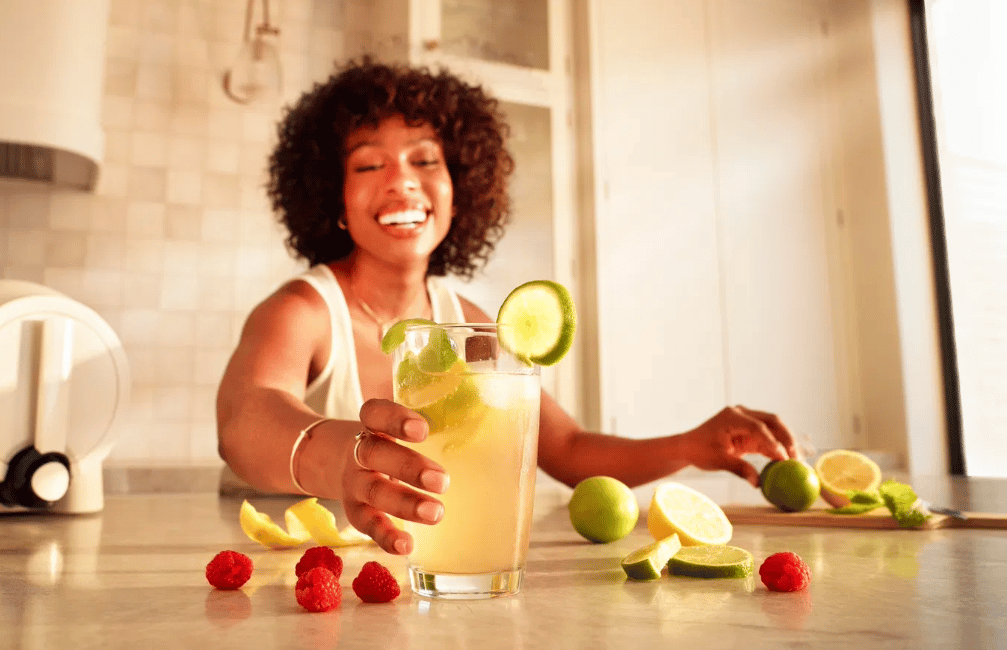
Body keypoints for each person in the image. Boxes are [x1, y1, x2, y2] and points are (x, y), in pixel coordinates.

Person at [216, 57, 799, 556]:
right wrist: (338, 457)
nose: (401, 182)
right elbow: (245, 420)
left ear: (459, 190)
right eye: (368, 165)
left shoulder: (467, 321)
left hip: (401, 574)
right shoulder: (303, 309)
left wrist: (694, 446)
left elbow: (566, 450)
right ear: (333, 200)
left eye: (425, 161)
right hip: (282, 577)